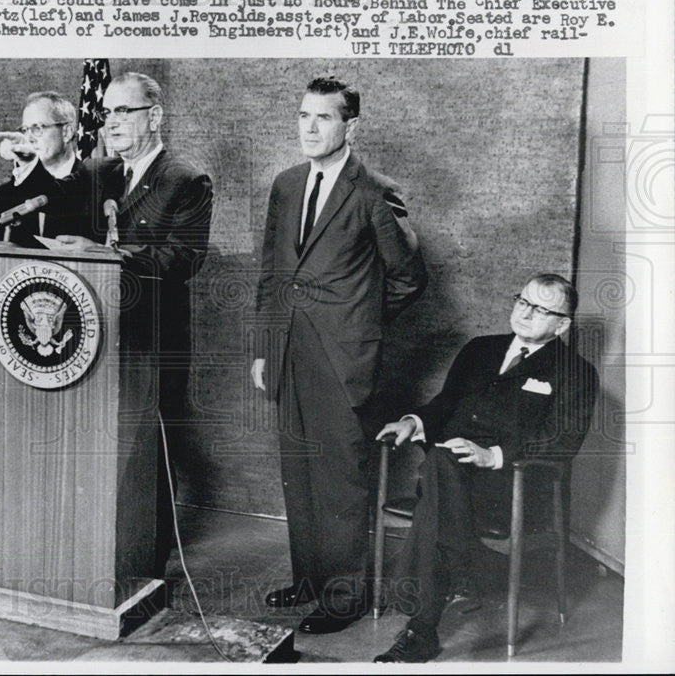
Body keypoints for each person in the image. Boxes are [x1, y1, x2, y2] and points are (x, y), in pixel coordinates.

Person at [252, 76, 428, 634]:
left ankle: (343, 597)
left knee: (340, 482)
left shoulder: (375, 191)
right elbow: (273, 273)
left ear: (349, 126)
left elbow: (407, 279)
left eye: (322, 118)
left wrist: (358, 331)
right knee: (299, 473)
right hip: (287, 353)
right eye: (303, 115)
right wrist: (264, 347)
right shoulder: (285, 185)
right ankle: (310, 580)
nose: (309, 127)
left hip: (343, 361)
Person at [372, 273, 599, 663]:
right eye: (523, 301)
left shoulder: (575, 372)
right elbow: (445, 405)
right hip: (449, 474)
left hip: (513, 486)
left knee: (437, 475)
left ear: (562, 324)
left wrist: (490, 454)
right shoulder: (480, 350)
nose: (526, 313)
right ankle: (460, 573)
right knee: (442, 464)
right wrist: (413, 421)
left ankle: (424, 625)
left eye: (541, 309)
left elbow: (560, 443)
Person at [57, 71, 213, 577]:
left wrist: (107, 253)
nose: (111, 123)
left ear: (156, 116)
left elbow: (184, 258)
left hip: (154, 340)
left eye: (124, 111)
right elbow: (52, 213)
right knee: (95, 441)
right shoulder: (96, 171)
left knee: (148, 448)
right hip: (95, 337)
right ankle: (93, 545)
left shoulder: (185, 180)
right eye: (107, 113)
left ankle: (146, 558)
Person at [0, 91, 93, 247]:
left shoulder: (95, 184)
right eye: (25, 130)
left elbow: (60, 198)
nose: (29, 138)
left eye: (37, 128)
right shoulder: (8, 192)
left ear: (67, 132)